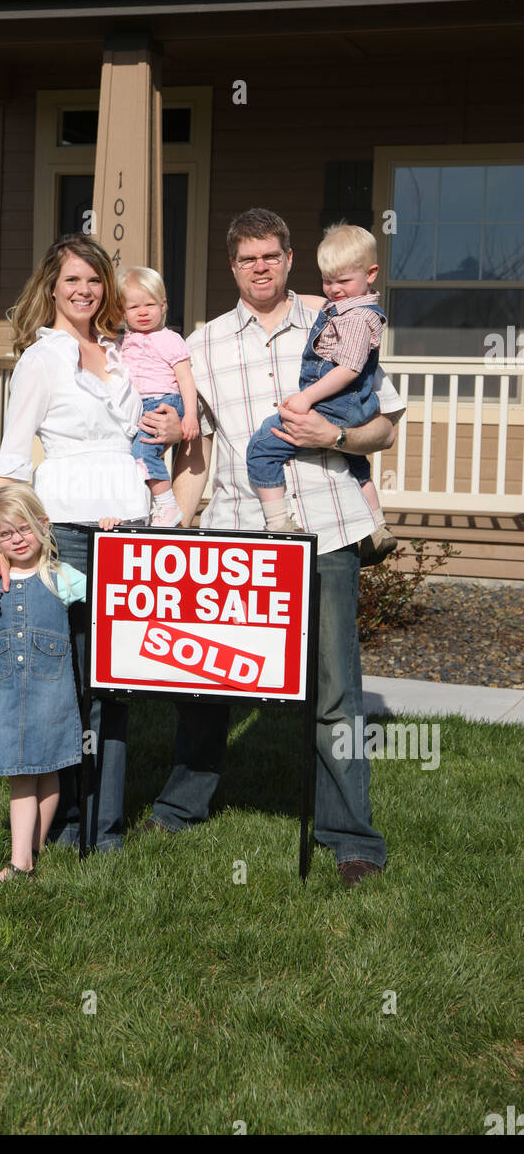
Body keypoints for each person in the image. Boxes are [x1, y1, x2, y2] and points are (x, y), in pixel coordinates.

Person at [137, 208, 406, 888]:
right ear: (232, 268)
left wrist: (333, 437)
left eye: (271, 255)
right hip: (233, 534)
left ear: (290, 259)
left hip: (325, 528)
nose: (260, 267)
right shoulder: (201, 343)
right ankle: (179, 806)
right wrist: (173, 511)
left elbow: (384, 429)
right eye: (247, 258)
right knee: (205, 681)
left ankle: (351, 839)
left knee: (337, 690)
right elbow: (200, 450)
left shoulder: (335, 319)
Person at [0, 234, 170, 853]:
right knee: (64, 685)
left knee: (115, 684)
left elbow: (142, 437)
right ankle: (62, 825)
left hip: (130, 534)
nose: (85, 291)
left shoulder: (120, 355)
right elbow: (11, 461)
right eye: (73, 282)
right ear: (52, 288)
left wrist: (168, 426)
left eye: (95, 281)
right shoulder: (43, 359)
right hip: (65, 537)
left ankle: (104, 829)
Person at [245, 223, 397, 565]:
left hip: (336, 405)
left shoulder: (357, 319)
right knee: (356, 461)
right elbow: (321, 303)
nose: (334, 289)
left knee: (262, 446)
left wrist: (307, 398)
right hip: (357, 407)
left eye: (343, 282)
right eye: (328, 281)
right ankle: (377, 526)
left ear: (371, 273)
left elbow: (349, 368)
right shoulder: (350, 306)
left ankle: (278, 522)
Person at [0, 485, 88, 881]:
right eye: (6, 533)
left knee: (47, 770)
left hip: (50, 695)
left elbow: (105, 593)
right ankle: (27, 854)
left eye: (25, 529)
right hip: (5, 698)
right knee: (22, 775)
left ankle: (24, 860)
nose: (17, 539)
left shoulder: (60, 578)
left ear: (43, 525)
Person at [118, 266, 200, 526]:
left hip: (164, 402)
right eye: (133, 307)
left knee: (143, 452)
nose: (142, 312)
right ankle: (149, 503)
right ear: (122, 311)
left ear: (163, 305)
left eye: (150, 304)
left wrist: (191, 417)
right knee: (134, 455)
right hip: (138, 406)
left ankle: (167, 505)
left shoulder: (169, 338)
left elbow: (185, 378)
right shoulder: (123, 342)